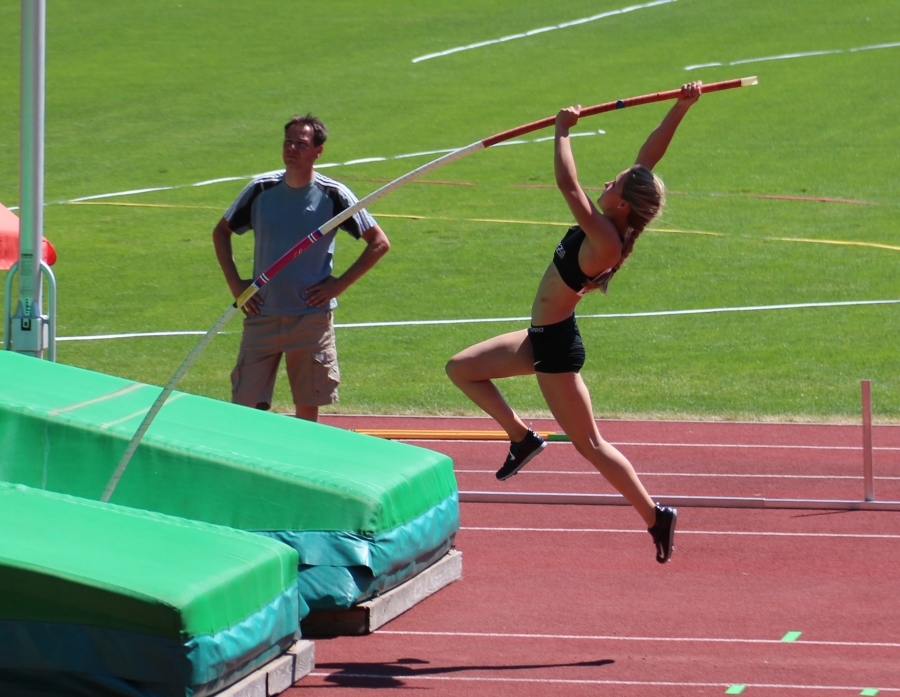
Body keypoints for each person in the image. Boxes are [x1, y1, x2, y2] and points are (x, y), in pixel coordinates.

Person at [446, 82, 703, 563]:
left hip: (556, 348)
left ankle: (655, 515)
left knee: (590, 445)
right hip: (540, 336)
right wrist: (679, 107)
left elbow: (567, 185)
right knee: (461, 368)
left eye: (613, 185)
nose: (606, 184)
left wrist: (563, 132)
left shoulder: (605, 237)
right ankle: (522, 437)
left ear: (623, 204)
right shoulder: (613, 222)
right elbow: (647, 160)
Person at [213, 114, 390, 422]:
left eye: (301, 144)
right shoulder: (259, 189)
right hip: (262, 316)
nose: (292, 149)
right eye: (288, 142)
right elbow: (221, 232)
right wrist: (236, 285)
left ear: (318, 151)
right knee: (244, 406)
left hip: (310, 320)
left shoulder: (334, 194)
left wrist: (339, 285)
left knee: (307, 411)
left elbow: (379, 242)